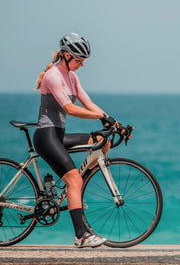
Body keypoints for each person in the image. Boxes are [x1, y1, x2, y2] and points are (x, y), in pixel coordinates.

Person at [33, 33, 119, 248]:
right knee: (74, 180)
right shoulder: (53, 76)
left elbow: (88, 103)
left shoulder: (71, 76)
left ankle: (77, 189)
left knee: (102, 141)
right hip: (46, 136)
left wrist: (115, 123)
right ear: (67, 55)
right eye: (79, 61)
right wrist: (101, 117)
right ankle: (81, 236)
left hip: (59, 135)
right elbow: (70, 109)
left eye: (83, 62)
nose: (81, 65)